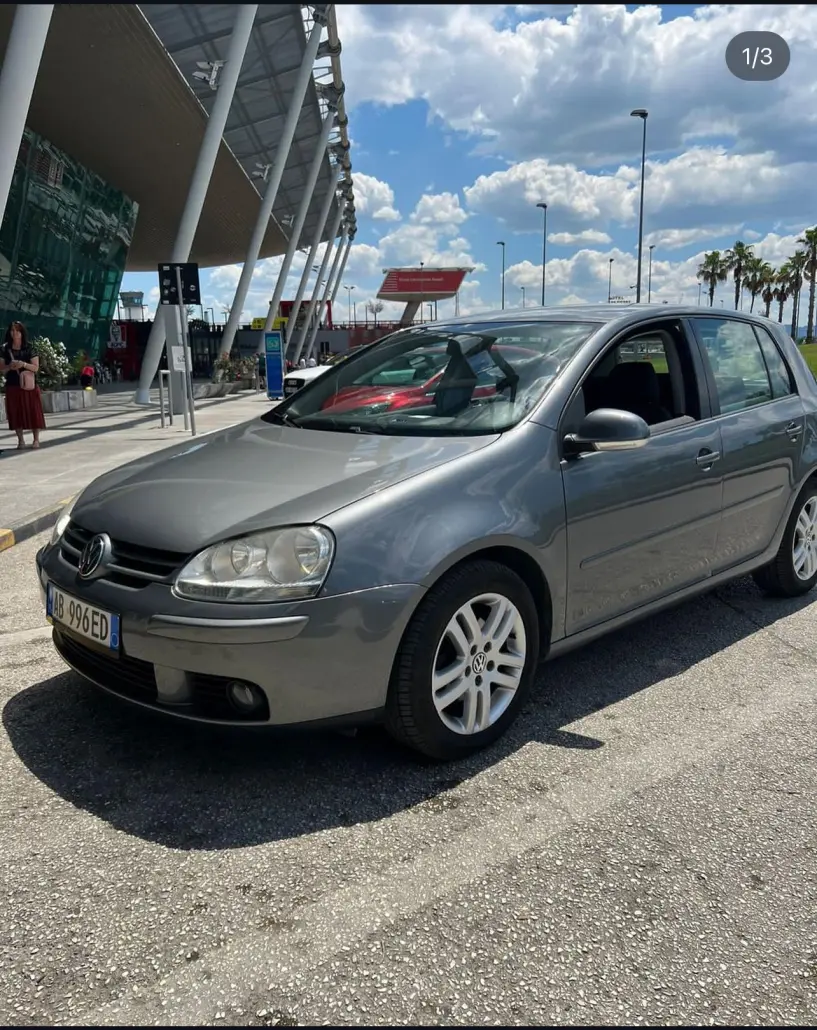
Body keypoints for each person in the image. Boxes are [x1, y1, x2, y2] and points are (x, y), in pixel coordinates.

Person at [1, 321, 46, 449]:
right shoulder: (4, 349)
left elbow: (35, 367)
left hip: (29, 385)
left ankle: (36, 439)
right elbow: (1, 368)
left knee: (33, 411)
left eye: (17, 331)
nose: (15, 333)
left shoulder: (29, 347)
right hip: (13, 384)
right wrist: (10, 367)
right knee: (16, 412)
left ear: (22, 333)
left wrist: (23, 364)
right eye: (12, 330)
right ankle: (20, 440)